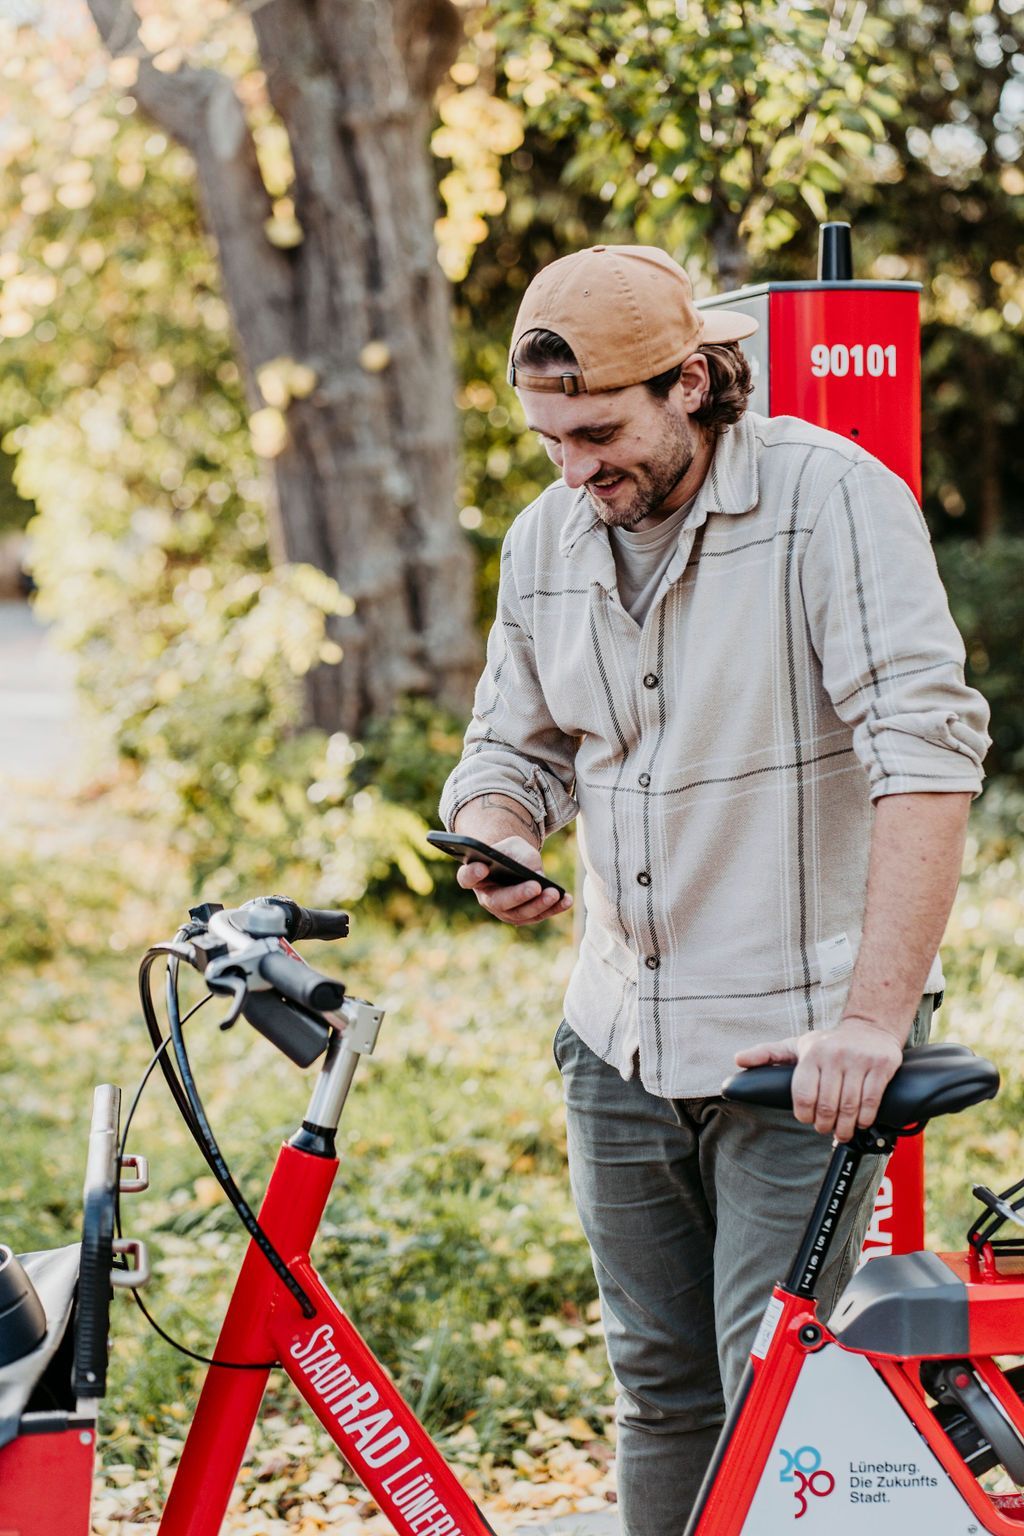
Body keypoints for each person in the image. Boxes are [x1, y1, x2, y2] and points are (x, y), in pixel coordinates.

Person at [438, 244, 990, 1535]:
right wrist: (495, 830)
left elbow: (926, 756)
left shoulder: (829, 503)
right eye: (550, 439)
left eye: (599, 433)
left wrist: (869, 1019)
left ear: (692, 382)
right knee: (661, 1392)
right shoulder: (548, 539)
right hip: (617, 1040)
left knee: (775, 1397)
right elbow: (508, 750)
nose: (574, 469)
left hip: (798, 1049)